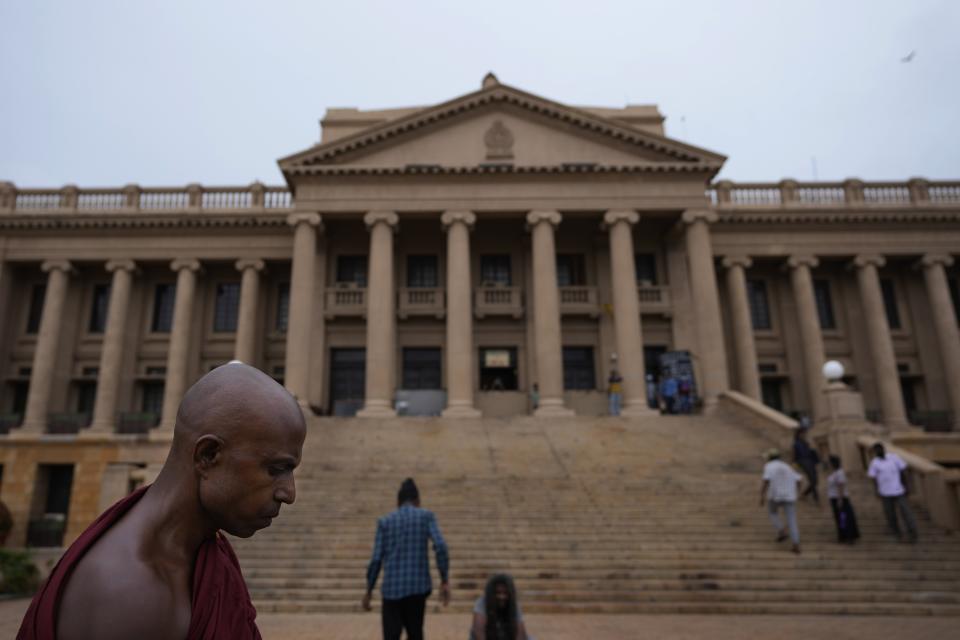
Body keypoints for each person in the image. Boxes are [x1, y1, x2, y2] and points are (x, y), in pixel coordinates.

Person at [18, 362, 306, 640]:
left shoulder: (195, 548)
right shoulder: (130, 597)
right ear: (207, 455)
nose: (288, 493)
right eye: (276, 469)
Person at [363, 478, 450, 640]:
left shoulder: (385, 521)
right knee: (415, 633)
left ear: (398, 501)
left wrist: (369, 590)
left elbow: (376, 559)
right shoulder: (426, 516)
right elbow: (441, 546)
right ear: (418, 501)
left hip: (391, 591)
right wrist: (444, 579)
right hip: (417, 589)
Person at [867, 443, 918, 543]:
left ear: (883, 449)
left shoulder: (894, 458)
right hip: (885, 493)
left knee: (906, 513)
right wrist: (876, 490)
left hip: (899, 491)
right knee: (890, 515)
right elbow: (874, 478)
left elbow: (903, 471)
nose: (878, 452)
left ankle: (912, 533)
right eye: (876, 451)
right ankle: (897, 533)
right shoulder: (874, 463)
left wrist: (906, 486)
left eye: (879, 450)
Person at [760, 448, 803, 554]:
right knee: (792, 520)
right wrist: (798, 491)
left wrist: (762, 495)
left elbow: (766, 481)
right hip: (789, 496)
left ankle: (781, 530)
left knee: (772, 512)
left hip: (775, 495)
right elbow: (799, 480)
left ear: (769, 458)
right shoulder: (787, 466)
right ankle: (796, 544)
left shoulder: (768, 466)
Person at [470, 574, 529, 640]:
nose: (502, 597)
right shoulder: (482, 602)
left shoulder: (514, 604)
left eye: (505, 593)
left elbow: (520, 634)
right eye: (498, 593)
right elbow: (478, 632)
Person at [826, 455, 860, 544]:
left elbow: (840, 486)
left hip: (840, 498)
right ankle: (843, 535)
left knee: (844, 517)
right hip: (834, 498)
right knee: (840, 518)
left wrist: (839, 499)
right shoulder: (834, 473)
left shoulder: (839, 473)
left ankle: (849, 536)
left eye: (829, 462)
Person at [792, 431, 821, 504]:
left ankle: (804, 494)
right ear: (798, 435)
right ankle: (816, 497)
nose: (803, 435)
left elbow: (811, 452)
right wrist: (795, 464)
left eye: (804, 434)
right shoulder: (796, 444)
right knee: (812, 478)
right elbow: (794, 454)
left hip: (810, 461)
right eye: (801, 434)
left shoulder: (806, 443)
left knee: (815, 481)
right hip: (803, 461)